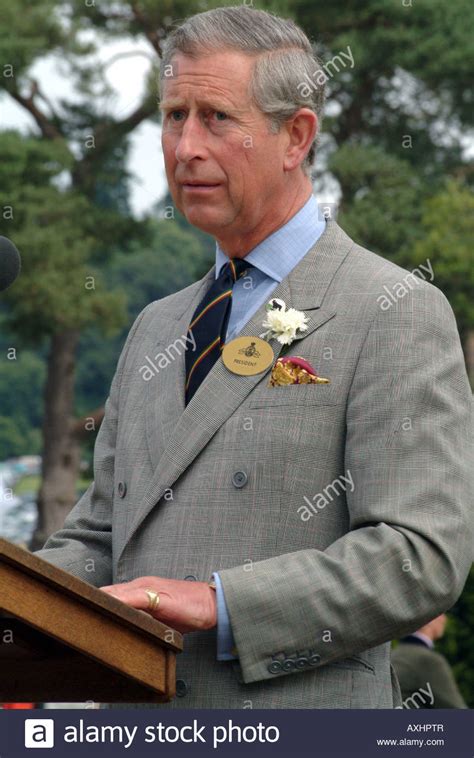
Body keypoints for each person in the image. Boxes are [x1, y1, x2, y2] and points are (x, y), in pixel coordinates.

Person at [35, 6, 473, 709]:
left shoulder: (393, 309)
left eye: (215, 117)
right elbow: (101, 537)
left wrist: (222, 603)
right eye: (174, 116)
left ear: (297, 135)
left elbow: (420, 557)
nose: (184, 148)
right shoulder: (155, 327)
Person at [391, 614, 467, 708]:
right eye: (441, 612)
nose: (444, 618)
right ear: (428, 619)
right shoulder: (427, 660)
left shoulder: (392, 655)